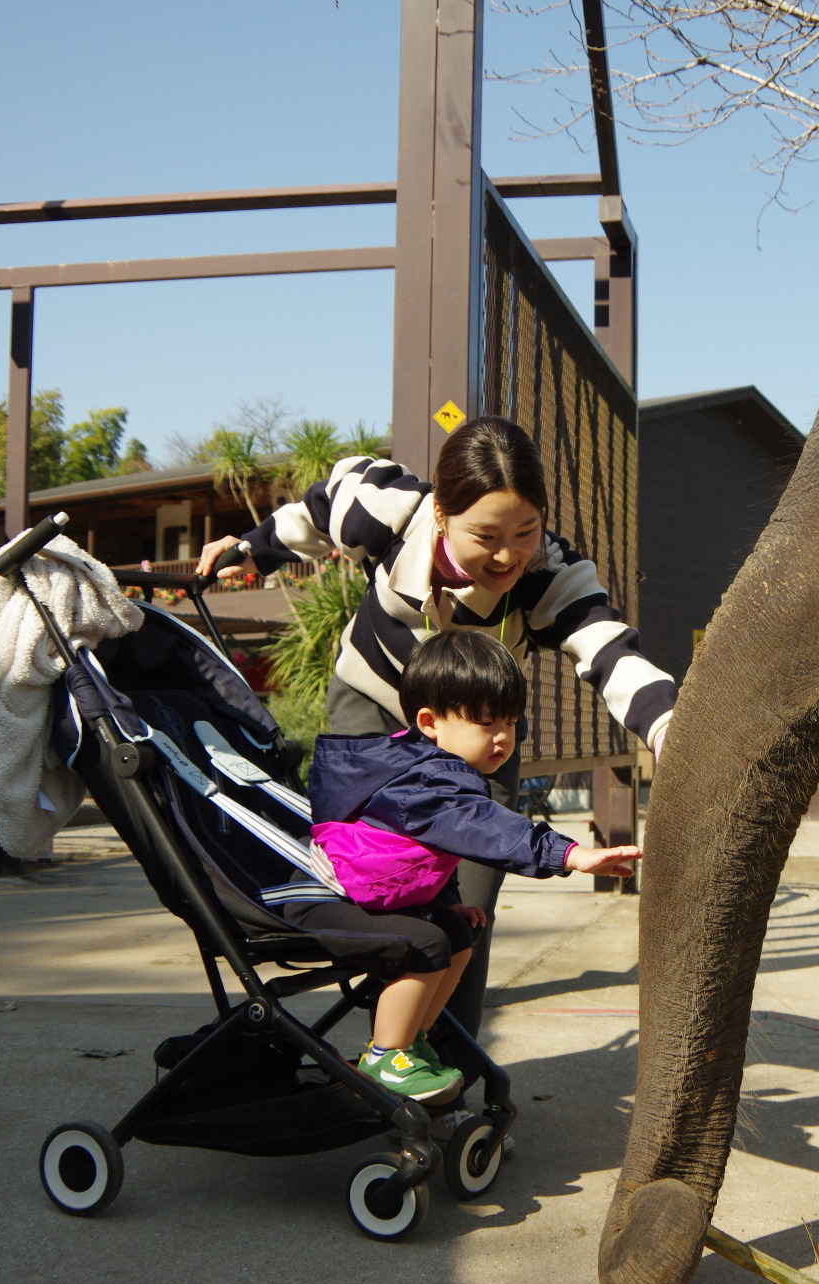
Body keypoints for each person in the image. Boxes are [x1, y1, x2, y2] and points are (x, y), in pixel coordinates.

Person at [196, 416, 676, 1036]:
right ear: (442, 516)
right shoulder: (390, 511)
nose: (507, 555)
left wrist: (670, 731)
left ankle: (444, 1072)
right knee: (368, 886)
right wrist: (250, 548)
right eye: (486, 536)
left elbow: (610, 650)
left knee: (465, 908)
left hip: (475, 744)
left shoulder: (547, 573)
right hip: (372, 720)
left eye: (526, 531)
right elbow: (320, 508)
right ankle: (386, 1047)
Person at [286, 631, 642, 1102]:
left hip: (369, 890)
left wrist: (446, 901)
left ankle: (412, 1040)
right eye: (486, 722)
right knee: (425, 943)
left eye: (511, 722)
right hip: (327, 894)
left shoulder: (438, 771)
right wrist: (570, 855)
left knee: (457, 935)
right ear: (430, 722)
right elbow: (487, 829)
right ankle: (384, 1055)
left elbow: (429, 856)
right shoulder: (427, 784)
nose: (503, 737)